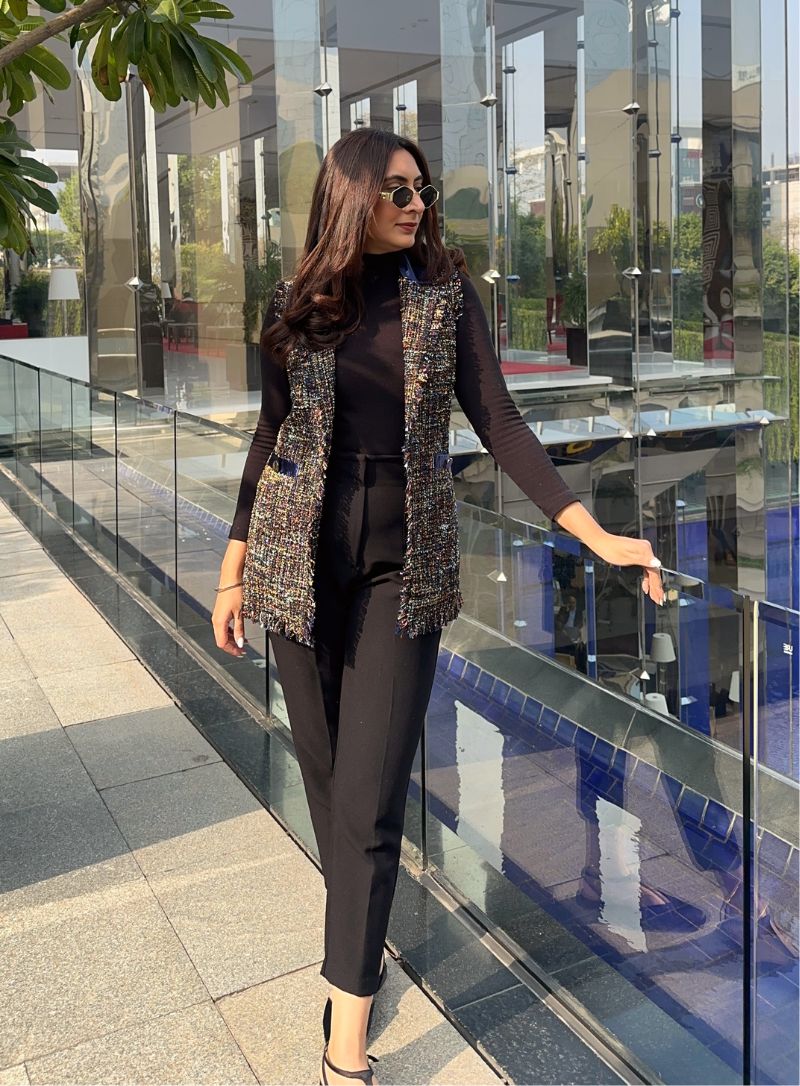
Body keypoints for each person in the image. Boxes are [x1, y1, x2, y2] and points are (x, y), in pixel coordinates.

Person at [211, 128, 664, 1086]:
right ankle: (355, 951)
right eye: (397, 190)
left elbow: (501, 423)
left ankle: (344, 1045)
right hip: (295, 564)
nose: (417, 204)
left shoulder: (445, 295)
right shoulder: (298, 303)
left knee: (369, 803)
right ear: (351, 198)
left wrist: (595, 534)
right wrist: (232, 567)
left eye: (420, 189)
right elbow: (270, 437)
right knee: (332, 790)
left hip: (402, 570)